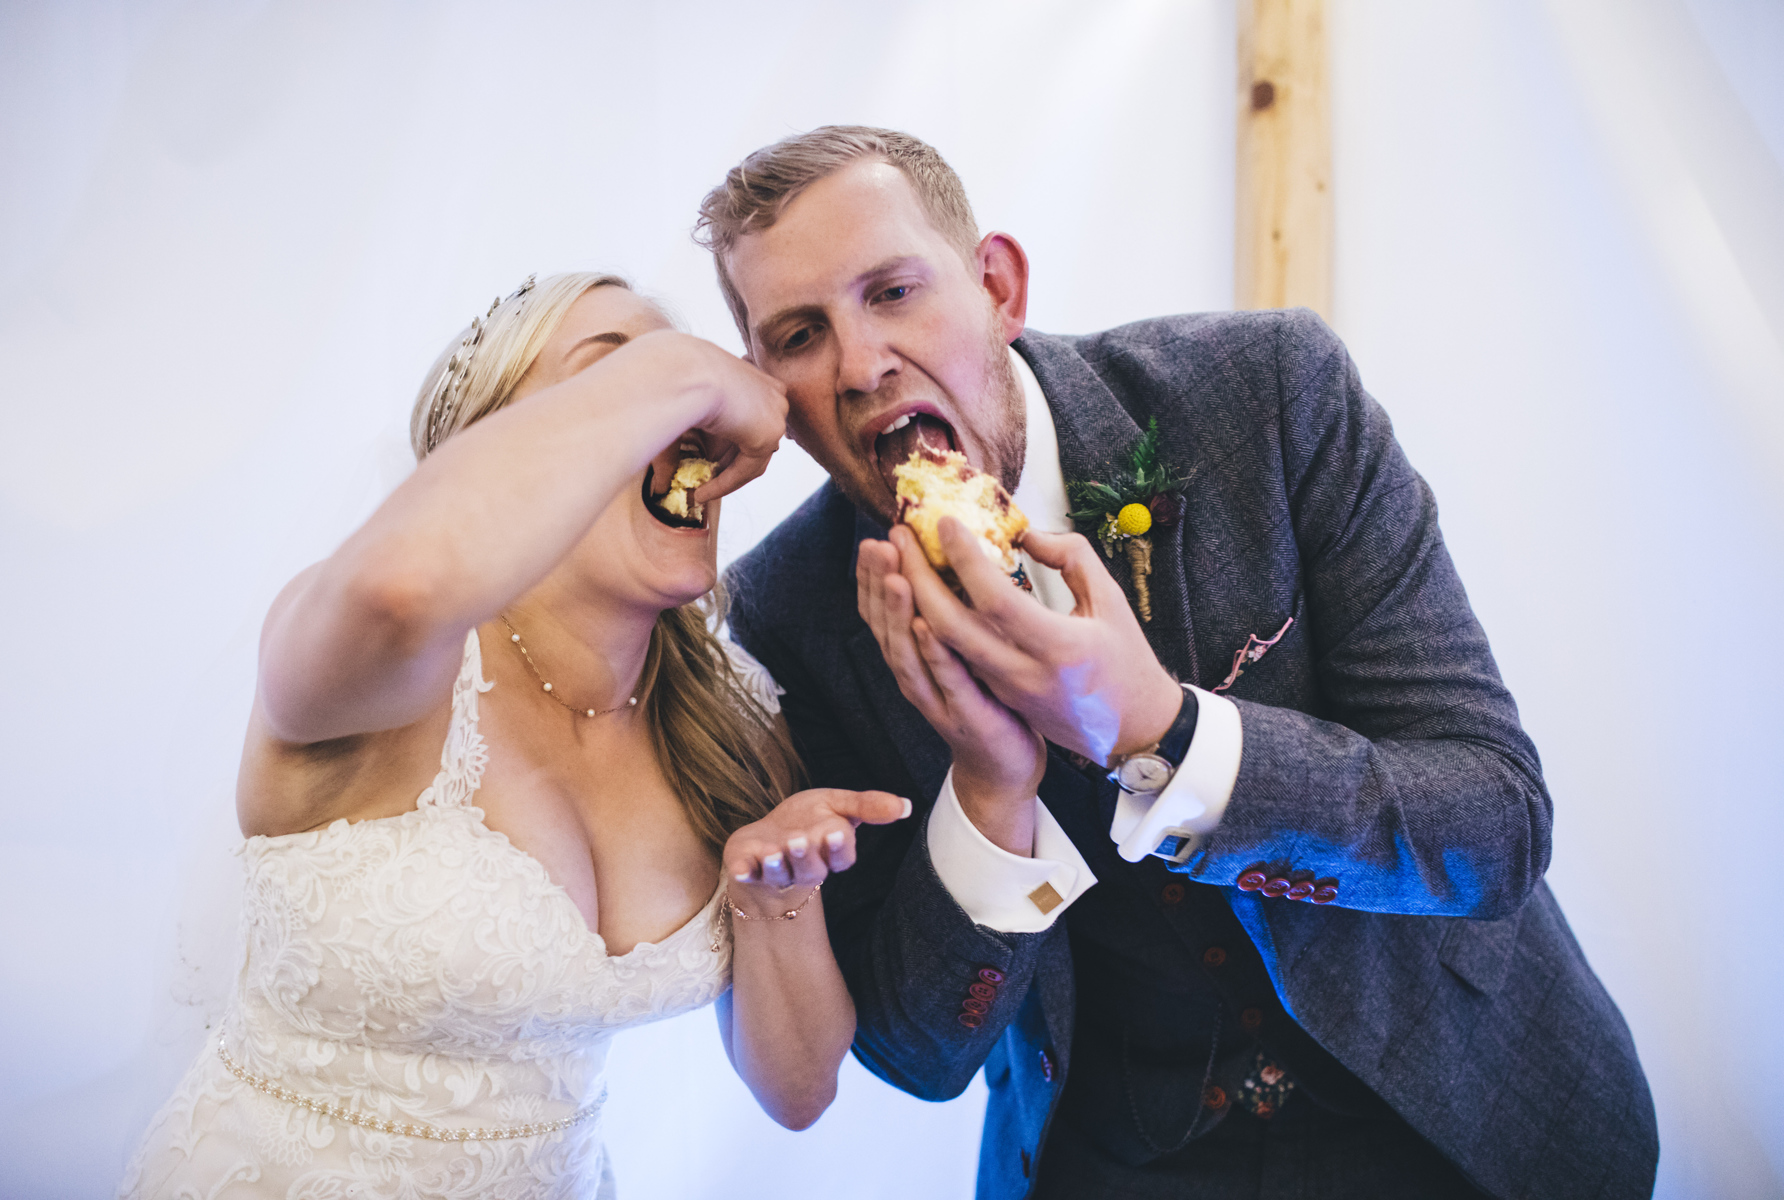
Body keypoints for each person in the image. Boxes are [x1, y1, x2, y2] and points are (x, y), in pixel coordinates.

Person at [700, 127, 1658, 1199]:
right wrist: (987, 789)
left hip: (1456, 1110)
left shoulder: (1269, 395)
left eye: (892, 291)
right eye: (800, 333)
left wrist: (1159, 725)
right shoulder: (789, 612)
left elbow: (1495, 823)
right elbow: (918, 1056)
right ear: (771, 393)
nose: (863, 364)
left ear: (997, 288)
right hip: (1117, 1155)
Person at [118, 271, 910, 1199]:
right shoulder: (378, 665)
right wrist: (676, 377)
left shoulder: (733, 710)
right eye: (615, 376)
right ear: (497, 450)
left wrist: (778, 895)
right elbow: (401, 582)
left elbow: (800, 1090)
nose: (696, 414)